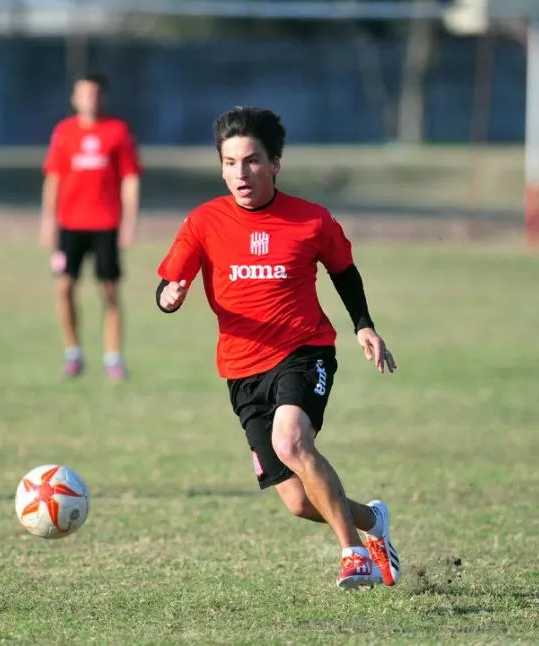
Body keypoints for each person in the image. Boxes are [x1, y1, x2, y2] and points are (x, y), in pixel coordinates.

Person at [155, 107, 401, 590]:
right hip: (241, 370)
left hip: (303, 351)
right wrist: (170, 296)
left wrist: (363, 326)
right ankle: (372, 523)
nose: (239, 174)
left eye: (251, 161)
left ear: (275, 164)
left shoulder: (311, 220)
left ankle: (355, 556)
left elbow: (344, 271)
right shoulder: (204, 221)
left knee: (292, 443)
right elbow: (168, 281)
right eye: (229, 162)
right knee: (298, 501)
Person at [40, 73, 141, 381]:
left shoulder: (118, 131)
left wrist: (129, 222)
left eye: (95, 94)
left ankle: (113, 358)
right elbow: (53, 177)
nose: (90, 100)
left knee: (109, 290)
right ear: (74, 98)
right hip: (70, 224)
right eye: (84, 94)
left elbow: (130, 178)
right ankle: (73, 354)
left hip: (106, 224)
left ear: (103, 97)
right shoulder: (64, 132)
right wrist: (47, 220)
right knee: (64, 287)